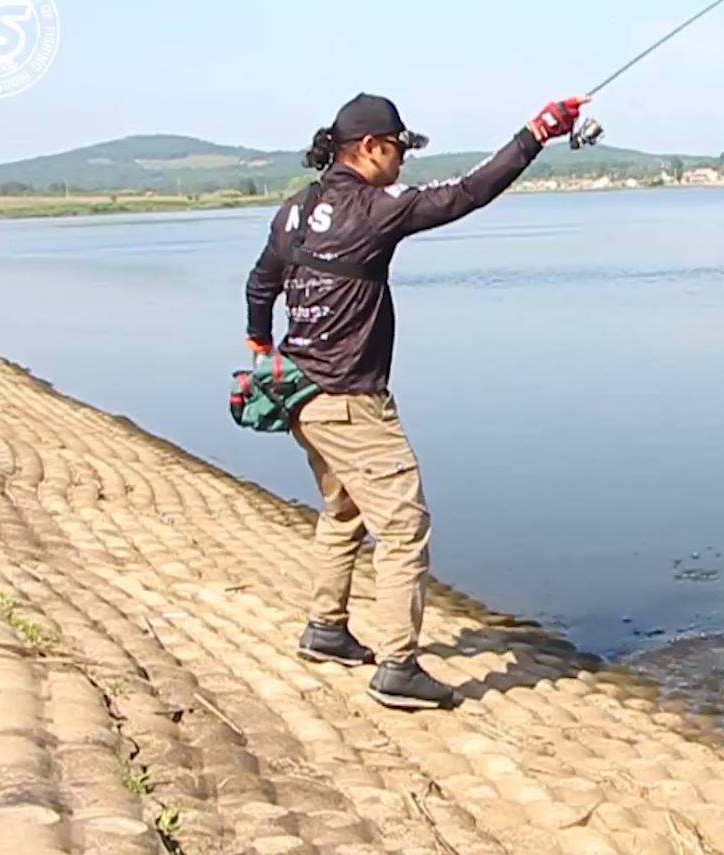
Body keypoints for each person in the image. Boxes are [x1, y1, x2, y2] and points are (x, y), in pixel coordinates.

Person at [244, 91, 589, 709]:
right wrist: (538, 132)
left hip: (301, 394)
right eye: (399, 148)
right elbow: (468, 192)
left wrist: (261, 347)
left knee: (345, 511)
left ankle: (326, 628)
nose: (403, 161)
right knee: (404, 527)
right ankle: (399, 665)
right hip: (350, 399)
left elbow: (260, 284)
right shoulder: (373, 209)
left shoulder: (295, 210)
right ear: (370, 147)